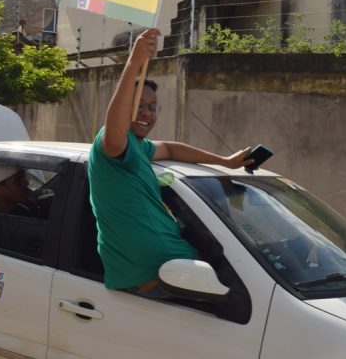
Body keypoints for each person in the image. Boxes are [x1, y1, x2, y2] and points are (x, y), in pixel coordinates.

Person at [88, 28, 254, 299]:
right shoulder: (112, 145)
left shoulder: (139, 148)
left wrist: (225, 161)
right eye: (138, 105)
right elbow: (114, 132)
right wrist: (134, 62)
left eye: (152, 107)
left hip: (180, 269)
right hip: (152, 283)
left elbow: (170, 148)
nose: (147, 113)